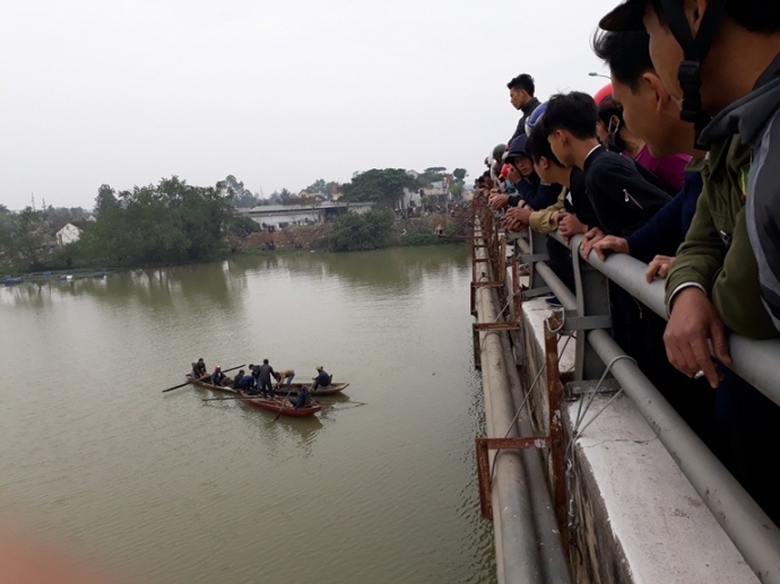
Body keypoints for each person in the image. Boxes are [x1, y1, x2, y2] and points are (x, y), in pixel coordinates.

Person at [507, 73, 541, 142]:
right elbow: (512, 144)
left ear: (522, 92)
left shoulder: (541, 113)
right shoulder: (522, 121)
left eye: (512, 96)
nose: (511, 101)